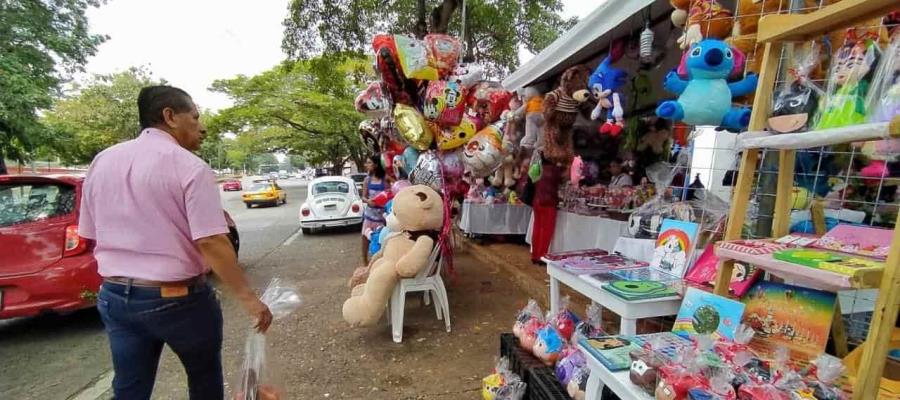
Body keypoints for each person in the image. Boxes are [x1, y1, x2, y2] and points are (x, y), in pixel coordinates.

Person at [79, 85, 272, 399]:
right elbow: (211, 240)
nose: (202, 127)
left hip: (116, 296)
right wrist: (250, 299)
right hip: (178, 299)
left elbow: (90, 233)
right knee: (204, 380)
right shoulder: (190, 167)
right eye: (195, 117)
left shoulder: (102, 162)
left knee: (129, 389)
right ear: (170, 116)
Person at [361, 155, 388, 265]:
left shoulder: (385, 179)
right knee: (365, 238)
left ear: (376, 165)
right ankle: (365, 262)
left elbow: (392, 190)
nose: (366, 165)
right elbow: (363, 197)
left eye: (369, 163)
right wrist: (368, 202)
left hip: (382, 217)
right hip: (369, 215)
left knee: (381, 239)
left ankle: (379, 261)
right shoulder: (367, 180)